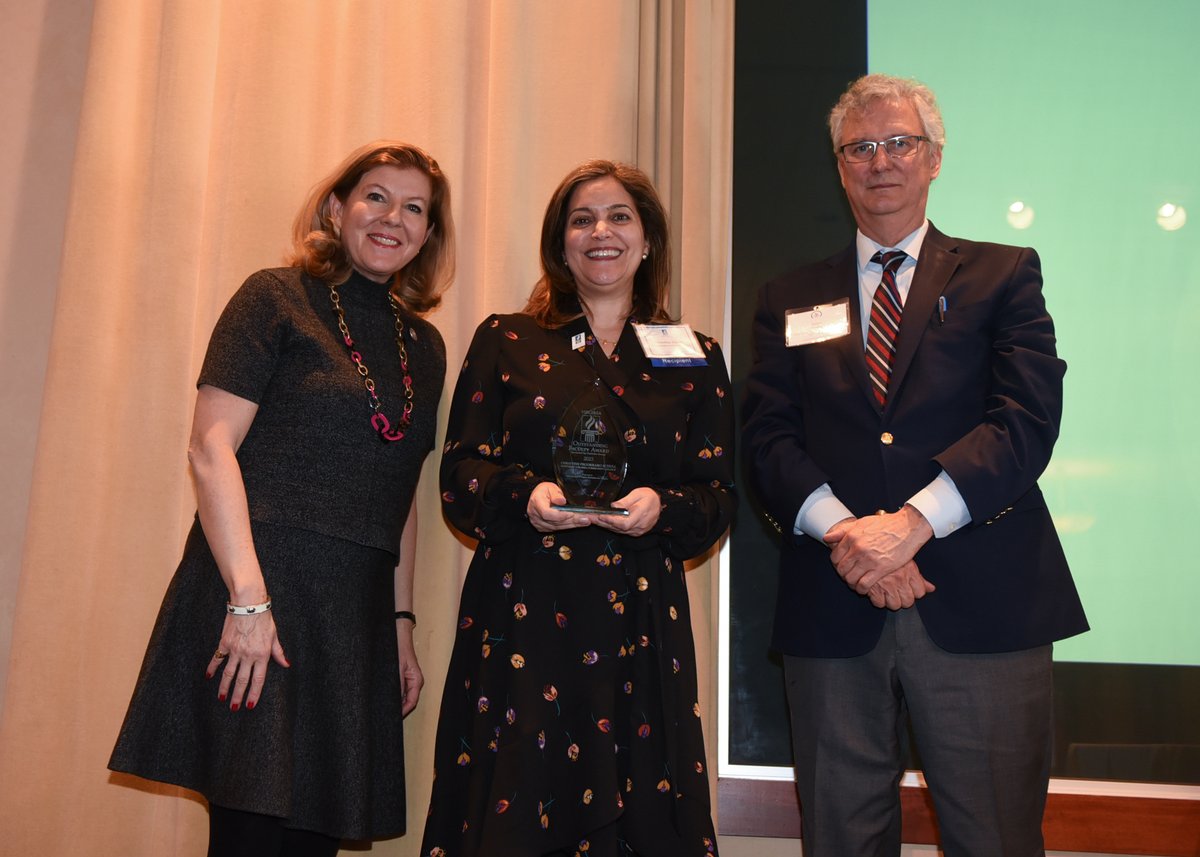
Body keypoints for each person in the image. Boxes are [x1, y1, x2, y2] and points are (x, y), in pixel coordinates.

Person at [741, 74, 1089, 856]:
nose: (881, 161)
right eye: (860, 147)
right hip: (834, 612)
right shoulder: (788, 296)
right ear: (839, 167)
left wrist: (909, 525)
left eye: (900, 142)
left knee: (995, 839)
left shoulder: (1003, 274)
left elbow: (1026, 422)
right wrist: (851, 539)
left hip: (986, 610)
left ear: (934, 158)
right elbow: (767, 440)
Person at [109, 141, 455, 856]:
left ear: (427, 234)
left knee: (312, 840)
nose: (393, 217)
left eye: (414, 207)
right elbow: (211, 449)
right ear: (337, 207)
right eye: (376, 196)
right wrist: (246, 598)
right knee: (253, 833)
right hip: (260, 599)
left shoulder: (424, 345)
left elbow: (400, 492)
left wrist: (401, 624)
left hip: (352, 622)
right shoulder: (273, 296)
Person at [421, 160, 733, 857]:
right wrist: (521, 495)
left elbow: (718, 497)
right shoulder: (506, 338)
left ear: (647, 238)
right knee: (519, 800)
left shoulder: (694, 356)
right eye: (582, 218)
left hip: (641, 618)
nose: (601, 232)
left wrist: (665, 505)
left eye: (620, 215)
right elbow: (458, 472)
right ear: (560, 244)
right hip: (526, 611)